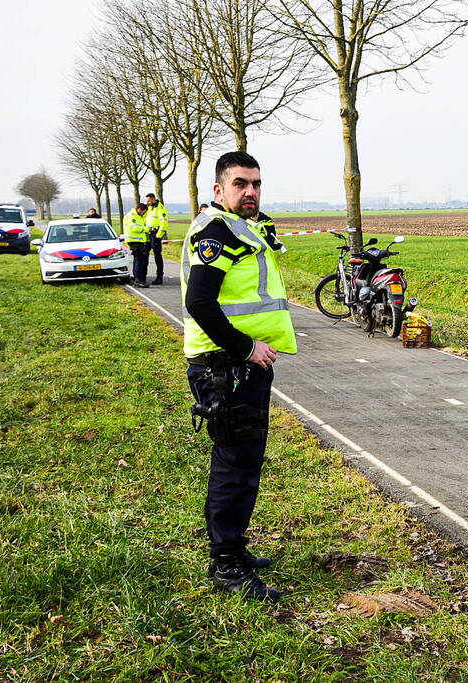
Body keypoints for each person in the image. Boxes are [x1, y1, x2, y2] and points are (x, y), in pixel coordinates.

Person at [181, 151, 297, 602]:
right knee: (236, 465)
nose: (250, 192)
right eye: (240, 184)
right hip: (227, 366)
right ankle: (227, 565)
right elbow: (200, 304)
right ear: (218, 190)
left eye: (256, 184)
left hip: (239, 366)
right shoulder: (216, 231)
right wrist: (247, 349)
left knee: (242, 462)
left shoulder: (240, 227)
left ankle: (233, 549)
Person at [123, 203, 151, 288]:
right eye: (144, 212)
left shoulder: (137, 216)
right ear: (140, 209)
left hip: (138, 241)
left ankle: (138, 279)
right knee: (139, 261)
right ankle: (138, 280)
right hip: (135, 241)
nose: (144, 214)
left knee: (139, 260)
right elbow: (134, 228)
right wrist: (147, 229)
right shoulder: (132, 216)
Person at [145, 193, 170, 285]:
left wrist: (158, 236)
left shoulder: (160, 209)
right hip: (148, 234)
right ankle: (143, 276)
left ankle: (159, 277)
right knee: (145, 254)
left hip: (155, 235)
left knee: (157, 256)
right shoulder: (150, 208)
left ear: (153, 199)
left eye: (148, 201)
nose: (147, 203)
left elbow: (164, 224)